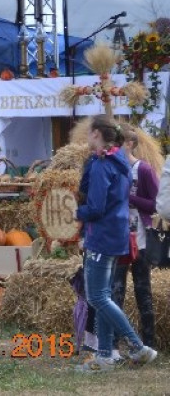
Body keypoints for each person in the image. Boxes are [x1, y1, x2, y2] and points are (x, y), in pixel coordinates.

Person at [75, 115, 157, 372]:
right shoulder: (118, 160)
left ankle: (137, 346)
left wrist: (76, 213)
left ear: (97, 134)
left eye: (89, 133)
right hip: (117, 235)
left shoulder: (103, 165)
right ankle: (105, 355)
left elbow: (96, 206)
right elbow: (90, 187)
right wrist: (91, 160)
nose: (87, 137)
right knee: (104, 296)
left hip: (102, 235)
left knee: (98, 296)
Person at [110, 126, 159, 348]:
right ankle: (113, 343)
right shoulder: (113, 169)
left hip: (141, 240)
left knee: (143, 292)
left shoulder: (144, 169)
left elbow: (155, 204)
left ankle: (148, 342)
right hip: (119, 239)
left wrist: (132, 199)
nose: (114, 148)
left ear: (129, 144)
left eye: (117, 144)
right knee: (116, 292)